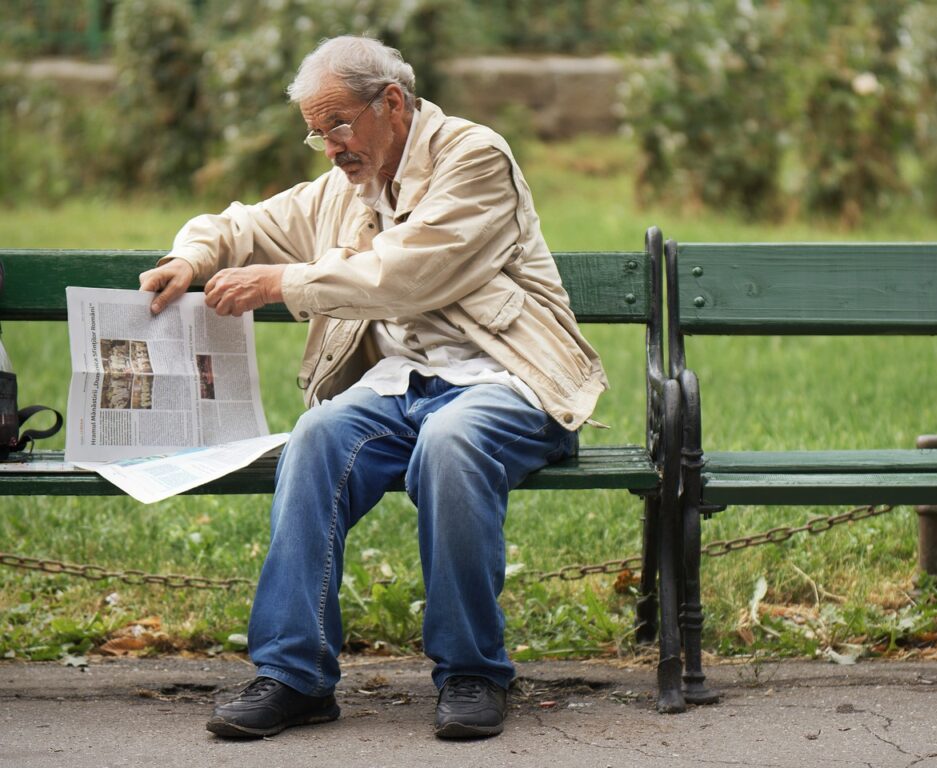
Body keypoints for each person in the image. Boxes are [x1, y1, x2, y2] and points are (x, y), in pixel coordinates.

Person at [140, 35, 607, 741]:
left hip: (508, 378)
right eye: (317, 132)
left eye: (338, 125)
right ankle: (294, 675)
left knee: (450, 443)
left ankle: (473, 671)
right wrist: (190, 257)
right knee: (316, 438)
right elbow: (244, 225)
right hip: (399, 387)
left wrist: (282, 281)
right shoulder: (345, 186)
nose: (330, 147)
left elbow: (408, 273)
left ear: (391, 102)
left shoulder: (474, 157)